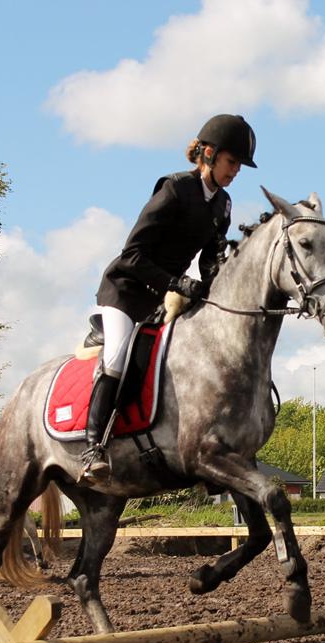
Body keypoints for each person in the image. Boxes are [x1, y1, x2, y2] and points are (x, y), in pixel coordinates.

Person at [80, 113, 257, 483]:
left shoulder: (222, 204)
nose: (236, 170)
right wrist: (179, 282)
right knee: (117, 357)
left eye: (239, 165)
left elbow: (211, 256)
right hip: (125, 292)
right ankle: (93, 445)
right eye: (231, 162)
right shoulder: (174, 189)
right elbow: (132, 254)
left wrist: (217, 278)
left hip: (160, 298)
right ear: (208, 154)